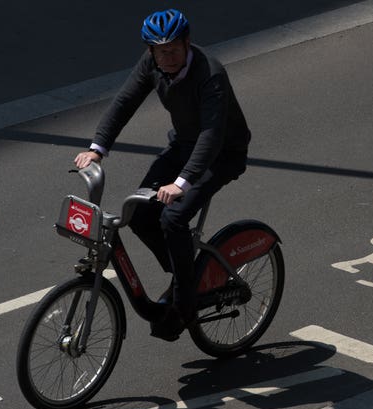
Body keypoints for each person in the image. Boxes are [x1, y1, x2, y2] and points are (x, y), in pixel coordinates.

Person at [74, 9, 251, 341]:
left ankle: (185, 300)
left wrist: (181, 183)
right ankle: (186, 271)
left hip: (222, 154)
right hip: (184, 145)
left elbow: (212, 136)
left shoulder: (210, 73)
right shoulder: (151, 63)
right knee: (140, 216)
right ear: (150, 51)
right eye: (159, 51)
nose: (166, 57)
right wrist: (98, 148)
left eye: (172, 49)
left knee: (173, 218)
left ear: (187, 42)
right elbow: (125, 101)